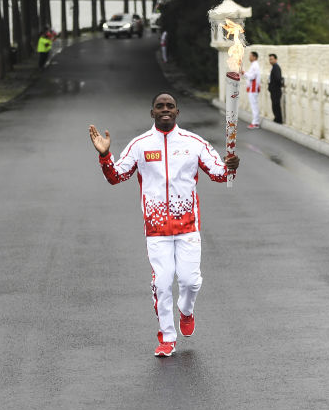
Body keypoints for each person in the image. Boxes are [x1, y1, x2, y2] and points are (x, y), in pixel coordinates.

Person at [89, 93, 241, 357]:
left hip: (188, 227)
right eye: (160, 107)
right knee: (161, 283)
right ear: (152, 113)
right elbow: (116, 176)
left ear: (177, 112)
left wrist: (231, 167)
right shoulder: (140, 144)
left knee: (190, 282)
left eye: (170, 106)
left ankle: (186, 310)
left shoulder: (194, 144)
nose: (165, 110)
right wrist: (105, 156)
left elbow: (219, 174)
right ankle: (167, 338)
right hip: (156, 230)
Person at [244, 51, 261, 128]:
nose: (249, 57)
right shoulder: (253, 65)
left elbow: (252, 77)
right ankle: (255, 122)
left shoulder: (255, 66)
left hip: (253, 88)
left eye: (250, 56)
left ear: (254, 57)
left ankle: (255, 122)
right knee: (254, 105)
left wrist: (244, 73)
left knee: (254, 105)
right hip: (252, 88)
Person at [268, 53, 285, 124]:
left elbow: (278, 78)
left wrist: (279, 85)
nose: (270, 61)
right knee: (275, 105)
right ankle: (276, 118)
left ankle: (278, 119)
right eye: (269, 59)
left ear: (275, 59)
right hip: (274, 90)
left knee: (276, 105)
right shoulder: (274, 67)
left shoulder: (276, 67)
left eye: (271, 59)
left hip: (276, 90)